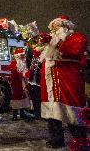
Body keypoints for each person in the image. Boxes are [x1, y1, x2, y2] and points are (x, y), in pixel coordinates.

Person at [39, 15, 88, 148]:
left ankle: (81, 141)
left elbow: (75, 49)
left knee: (72, 112)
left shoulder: (76, 37)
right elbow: (40, 56)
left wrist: (52, 43)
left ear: (67, 26)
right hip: (50, 84)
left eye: (57, 26)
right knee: (52, 114)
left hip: (67, 82)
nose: (54, 29)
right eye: (52, 28)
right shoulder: (52, 41)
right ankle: (56, 140)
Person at [9, 48, 31, 121]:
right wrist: (23, 74)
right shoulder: (14, 63)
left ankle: (22, 113)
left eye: (23, 55)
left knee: (23, 98)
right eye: (21, 55)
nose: (23, 57)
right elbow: (15, 72)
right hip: (16, 84)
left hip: (23, 83)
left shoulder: (23, 63)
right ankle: (15, 115)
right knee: (16, 99)